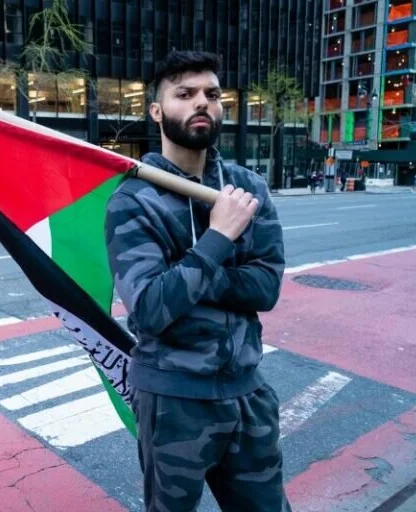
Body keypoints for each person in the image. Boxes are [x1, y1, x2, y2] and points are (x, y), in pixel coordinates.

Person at [105, 50, 289, 512]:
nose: (201, 103)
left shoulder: (247, 190)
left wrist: (189, 274)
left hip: (248, 392)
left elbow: (266, 288)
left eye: (212, 93)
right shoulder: (134, 200)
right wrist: (219, 238)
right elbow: (148, 309)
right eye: (184, 94)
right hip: (173, 399)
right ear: (157, 110)